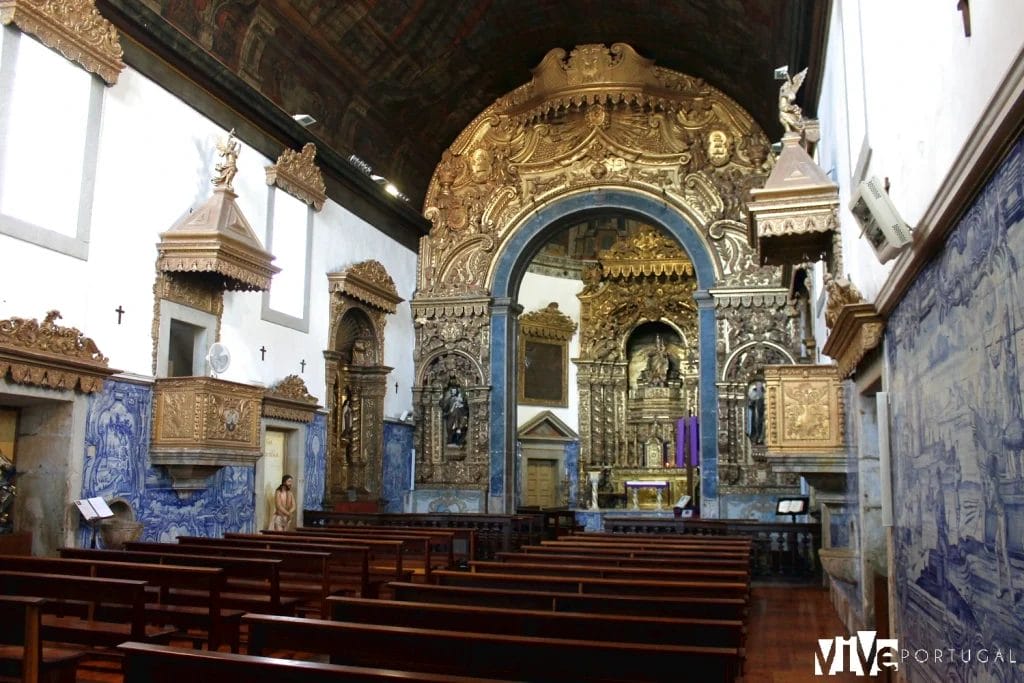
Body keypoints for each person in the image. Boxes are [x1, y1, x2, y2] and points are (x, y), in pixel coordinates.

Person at [746, 380, 766, 445]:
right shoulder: (752, 386)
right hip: (754, 408)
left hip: (762, 408)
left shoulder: (765, 385)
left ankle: (760, 437)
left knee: (761, 422)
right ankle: (755, 437)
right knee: (754, 422)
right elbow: (750, 397)